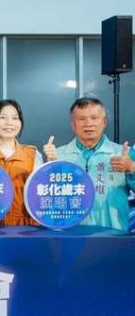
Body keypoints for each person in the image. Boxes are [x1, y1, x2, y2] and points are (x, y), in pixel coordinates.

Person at [43, 97, 135, 231]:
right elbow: (46, 200)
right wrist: (50, 168)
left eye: (94, 118)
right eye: (82, 119)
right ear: (73, 124)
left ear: (104, 122)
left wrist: (131, 168)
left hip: (114, 233)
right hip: (71, 234)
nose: (88, 123)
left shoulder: (123, 154)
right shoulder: (58, 156)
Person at [0, 99, 42, 226]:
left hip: (26, 226)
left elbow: (41, 193)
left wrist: (51, 164)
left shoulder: (33, 154)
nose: (9, 123)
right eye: (3, 117)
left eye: (15, 118)